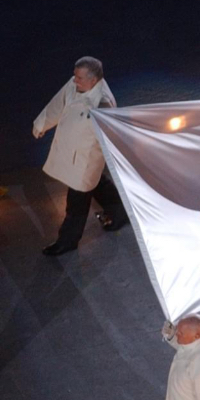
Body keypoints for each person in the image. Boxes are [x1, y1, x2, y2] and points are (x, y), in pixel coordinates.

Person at [32, 56, 128, 256]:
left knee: (77, 199)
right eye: (75, 76)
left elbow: (111, 136)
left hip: (86, 158)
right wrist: (42, 123)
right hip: (73, 152)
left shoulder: (103, 104)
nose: (74, 81)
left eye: (79, 78)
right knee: (95, 183)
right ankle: (120, 212)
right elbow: (58, 102)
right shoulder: (76, 82)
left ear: (93, 81)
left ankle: (68, 241)